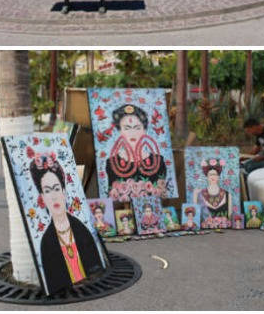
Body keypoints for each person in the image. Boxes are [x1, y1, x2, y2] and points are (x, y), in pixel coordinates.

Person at [29, 149, 102, 293]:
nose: (54, 196)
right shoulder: (46, 242)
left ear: (64, 191)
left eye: (57, 188)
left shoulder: (82, 229)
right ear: (42, 197)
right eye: (48, 191)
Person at [106, 104, 168, 200]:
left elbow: (163, 196)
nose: (132, 133)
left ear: (144, 130)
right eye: (127, 128)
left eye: (137, 127)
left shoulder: (158, 161)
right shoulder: (111, 163)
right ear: (119, 131)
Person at [193, 159, 232, 227]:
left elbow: (229, 215)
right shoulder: (200, 194)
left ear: (218, 177)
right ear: (207, 177)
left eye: (214, 174)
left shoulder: (227, 195)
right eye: (210, 175)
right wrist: (195, 195)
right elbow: (196, 216)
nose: (212, 177)